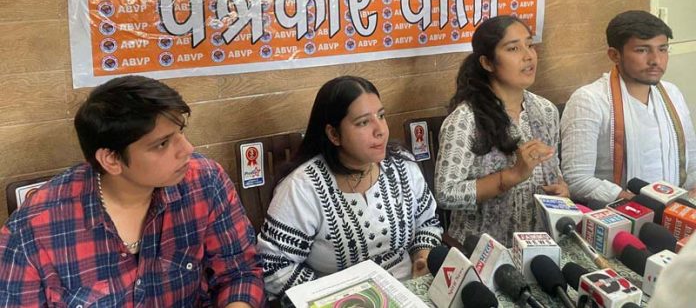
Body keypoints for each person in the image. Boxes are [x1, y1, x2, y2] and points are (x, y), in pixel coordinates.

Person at [0, 76, 264, 307]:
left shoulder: (204, 181)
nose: (187, 149)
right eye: (162, 144)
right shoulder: (32, 231)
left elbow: (239, 271)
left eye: (180, 132)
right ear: (111, 160)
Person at [256, 76, 443, 298]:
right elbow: (273, 267)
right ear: (334, 134)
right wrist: (336, 295)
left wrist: (422, 255)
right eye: (364, 122)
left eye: (381, 116)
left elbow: (428, 221)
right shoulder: (302, 188)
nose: (380, 130)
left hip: (409, 291)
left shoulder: (402, 165)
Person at [434, 15, 569, 247]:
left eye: (530, 45)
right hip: (481, 248)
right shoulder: (464, 120)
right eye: (513, 48)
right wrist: (512, 175)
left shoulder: (545, 110)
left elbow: (553, 170)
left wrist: (561, 189)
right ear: (487, 63)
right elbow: (446, 193)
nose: (528, 56)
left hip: (536, 242)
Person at [561, 10, 696, 204]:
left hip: (676, 212)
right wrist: (639, 204)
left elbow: (691, 164)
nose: (655, 60)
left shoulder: (672, 93)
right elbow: (578, 180)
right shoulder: (589, 100)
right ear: (615, 55)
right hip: (621, 215)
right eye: (642, 50)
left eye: (663, 49)